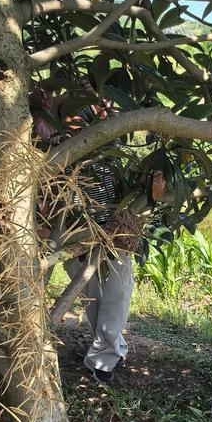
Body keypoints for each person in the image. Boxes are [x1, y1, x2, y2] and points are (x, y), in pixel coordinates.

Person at [31, 85, 165, 385]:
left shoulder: (109, 154)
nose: (83, 122)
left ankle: (104, 359)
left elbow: (127, 188)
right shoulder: (56, 157)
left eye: (90, 116)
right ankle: (108, 350)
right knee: (92, 297)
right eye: (75, 117)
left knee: (117, 294)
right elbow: (45, 201)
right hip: (74, 238)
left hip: (113, 235)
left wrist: (150, 185)